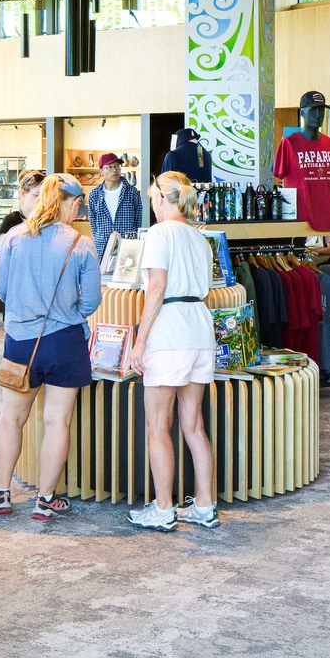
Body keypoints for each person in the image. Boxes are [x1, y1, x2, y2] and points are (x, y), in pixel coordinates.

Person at [0, 173, 101, 521]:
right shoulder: (80, 244)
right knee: (57, 422)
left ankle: (1, 493)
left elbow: (1, 291)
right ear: (73, 203)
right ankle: (46, 499)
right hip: (65, 342)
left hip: (20, 343)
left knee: (11, 419)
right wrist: (67, 313)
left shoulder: (13, 238)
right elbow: (91, 301)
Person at [123, 171, 220, 532]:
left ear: (162, 198)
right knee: (194, 425)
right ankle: (205, 506)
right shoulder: (200, 238)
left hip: (169, 333)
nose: (152, 205)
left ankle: (164, 509)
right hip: (199, 330)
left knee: (158, 426)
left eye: (153, 198)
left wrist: (140, 341)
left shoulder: (158, 233)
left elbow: (156, 288)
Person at [84, 153, 143, 257]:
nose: (115, 170)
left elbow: (138, 219)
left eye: (117, 166)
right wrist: (100, 237)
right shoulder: (94, 194)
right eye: (110, 167)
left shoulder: (132, 192)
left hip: (127, 246)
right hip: (102, 247)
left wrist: (133, 238)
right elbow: (93, 223)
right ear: (101, 171)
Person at [0, 167, 46, 240]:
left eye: (43, 196)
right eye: (36, 195)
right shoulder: (11, 221)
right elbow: (3, 245)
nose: (40, 199)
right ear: (23, 194)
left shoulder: (45, 220)